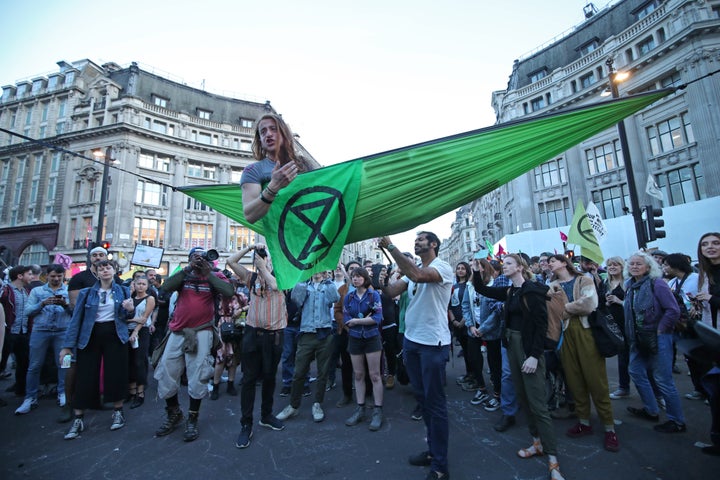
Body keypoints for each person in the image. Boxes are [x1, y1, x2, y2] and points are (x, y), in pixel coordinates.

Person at [472, 254, 566, 480]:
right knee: (523, 396)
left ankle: (553, 461)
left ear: (520, 268)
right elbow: (482, 290)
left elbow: (541, 324)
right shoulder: (509, 292)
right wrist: (476, 271)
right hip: (511, 346)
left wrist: (534, 355)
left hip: (527, 347)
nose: (505, 267)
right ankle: (537, 444)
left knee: (537, 404)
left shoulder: (532, 290)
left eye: (509, 264)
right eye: (504, 264)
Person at [378, 232, 452, 480]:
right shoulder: (416, 268)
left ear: (434, 244)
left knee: (436, 404)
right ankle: (432, 451)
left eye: (422, 239)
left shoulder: (442, 267)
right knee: (423, 399)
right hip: (412, 342)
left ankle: (440, 465)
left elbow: (419, 276)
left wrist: (391, 246)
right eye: (416, 239)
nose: (417, 242)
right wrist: (381, 282)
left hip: (433, 344)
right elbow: (390, 292)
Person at [153, 247, 234, 442]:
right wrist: (187, 269)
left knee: (198, 375)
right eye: (195, 258)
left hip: (202, 331)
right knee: (166, 372)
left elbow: (229, 291)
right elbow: (165, 288)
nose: (199, 261)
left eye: (201, 258)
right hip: (177, 331)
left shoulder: (214, 275)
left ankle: (192, 418)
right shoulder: (184, 275)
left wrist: (208, 273)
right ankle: (174, 412)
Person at [547, 254, 619, 452]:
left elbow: (589, 304)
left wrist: (565, 308)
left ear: (563, 262)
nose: (549, 264)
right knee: (574, 380)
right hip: (565, 335)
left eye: (553, 261)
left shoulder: (584, 279)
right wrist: (569, 309)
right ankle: (584, 422)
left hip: (586, 333)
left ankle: (609, 428)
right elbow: (553, 313)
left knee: (597, 380)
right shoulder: (551, 286)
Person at [59, 260, 134, 440]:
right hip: (90, 336)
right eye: (101, 268)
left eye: (108, 267)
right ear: (96, 272)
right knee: (85, 376)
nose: (105, 270)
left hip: (115, 335)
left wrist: (130, 311)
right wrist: (67, 346)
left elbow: (125, 317)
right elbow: (76, 319)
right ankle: (78, 417)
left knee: (115, 374)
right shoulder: (86, 293)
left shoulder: (123, 290)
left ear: (115, 271)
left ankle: (117, 411)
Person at [229, 244, 287, 449]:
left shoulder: (282, 276)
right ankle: (246, 424)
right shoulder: (251, 278)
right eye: (261, 258)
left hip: (274, 336)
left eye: (267, 258)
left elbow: (274, 285)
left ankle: (266, 415)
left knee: (270, 377)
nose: (263, 260)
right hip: (253, 335)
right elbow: (230, 262)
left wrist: (263, 266)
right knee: (248, 380)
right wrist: (250, 248)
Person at [624, 251, 686, 433]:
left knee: (663, 379)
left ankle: (677, 421)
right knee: (635, 371)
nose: (634, 266)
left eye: (638, 264)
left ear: (649, 267)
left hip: (658, 337)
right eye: (631, 263)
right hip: (638, 338)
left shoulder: (657, 284)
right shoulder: (630, 285)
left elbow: (672, 310)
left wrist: (660, 330)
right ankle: (651, 410)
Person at [276, 271, 339, 423]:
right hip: (306, 333)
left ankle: (317, 403)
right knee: (299, 371)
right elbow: (296, 299)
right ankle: (293, 405)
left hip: (324, 333)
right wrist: (304, 278)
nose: (317, 271)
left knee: (322, 372)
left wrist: (327, 279)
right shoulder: (303, 284)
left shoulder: (329, 285)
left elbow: (334, 299)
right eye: (314, 268)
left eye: (319, 268)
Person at [14, 264, 71, 415]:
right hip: (40, 331)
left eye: (59, 276)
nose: (56, 279)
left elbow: (75, 312)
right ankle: (30, 397)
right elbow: (28, 311)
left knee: (64, 364)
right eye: (53, 276)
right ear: (47, 276)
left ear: (63, 276)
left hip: (62, 331)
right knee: (34, 365)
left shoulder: (67, 291)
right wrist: (43, 303)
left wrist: (65, 305)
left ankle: (62, 392)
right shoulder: (37, 291)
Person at [240, 113, 311, 224]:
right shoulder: (252, 171)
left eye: (273, 129)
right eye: (263, 132)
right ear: (260, 141)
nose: (268, 134)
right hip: (282, 237)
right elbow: (250, 215)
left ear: (284, 133)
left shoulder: (305, 164)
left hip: (315, 232)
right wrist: (273, 187)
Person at [341, 267, 385, 431]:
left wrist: (357, 322)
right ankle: (360, 408)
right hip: (355, 338)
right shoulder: (349, 297)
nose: (355, 279)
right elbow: (346, 319)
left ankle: (378, 410)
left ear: (365, 278)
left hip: (372, 338)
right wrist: (354, 322)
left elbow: (377, 318)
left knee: (374, 375)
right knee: (358, 374)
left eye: (359, 276)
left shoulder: (374, 295)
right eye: (353, 277)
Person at [462, 258, 503, 411]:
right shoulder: (469, 285)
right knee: (474, 359)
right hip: (474, 329)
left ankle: (498, 394)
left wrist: (483, 328)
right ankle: (481, 388)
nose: (474, 270)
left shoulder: (494, 284)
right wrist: (471, 325)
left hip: (491, 330)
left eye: (477, 267)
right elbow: (466, 305)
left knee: (494, 363)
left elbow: (495, 311)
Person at [694, 232, 720, 455]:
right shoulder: (705, 274)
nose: (710, 247)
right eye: (705, 244)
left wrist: (712, 299)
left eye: (715, 243)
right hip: (714, 337)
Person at [332, 261, 362, 407]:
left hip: (364, 333)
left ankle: (367, 395)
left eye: (357, 268)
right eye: (351, 269)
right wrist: (345, 324)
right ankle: (347, 394)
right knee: (346, 364)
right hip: (345, 332)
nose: (354, 271)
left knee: (364, 365)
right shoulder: (343, 289)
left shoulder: (367, 289)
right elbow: (337, 309)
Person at [1, 265, 32, 398]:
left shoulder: (27, 291)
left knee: (23, 362)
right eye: (29, 274)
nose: (31, 277)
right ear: (20, 276)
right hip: (8, 332)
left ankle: (20, 389)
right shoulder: (5, 291)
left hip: (23, 333)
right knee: (1, 363)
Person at [126, 275, 156, 409]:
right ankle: (131, 390)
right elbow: (122, 317)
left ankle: (140, 391)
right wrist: (133, 320)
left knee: (140, 361)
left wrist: (135, 329)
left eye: (144, 284)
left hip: (141, 332)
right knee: (129, 361)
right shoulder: (129, 299)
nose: (141, 286)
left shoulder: (150, 299)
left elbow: (144, 319)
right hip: (126, 332)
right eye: (138, 283)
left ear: (147, 286)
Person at [604, 257, 630, 399]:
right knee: (622, 356)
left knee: (631, 356)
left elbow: (633, 304)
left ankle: (653, 392)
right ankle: (623, 387)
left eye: (615, 265)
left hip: (627, 322)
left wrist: (619, 301)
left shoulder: (627, 283)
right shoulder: (606, 283)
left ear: (622, 266)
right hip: (613, 324)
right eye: (609, 265)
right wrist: (607, 302)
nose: (612, 267)